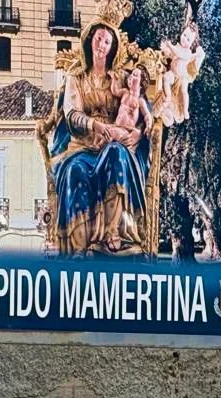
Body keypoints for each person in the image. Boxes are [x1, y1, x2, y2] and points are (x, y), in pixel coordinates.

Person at [49, 21, 149, 255]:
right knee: (74, 170)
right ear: (89, 41)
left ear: (113, 48)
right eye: (98, 38)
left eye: (107, 41)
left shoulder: (121, 79)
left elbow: (144, 109)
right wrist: (96, 125)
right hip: (83, 147)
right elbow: (72, 114)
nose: (102, 45)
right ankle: (79, 247)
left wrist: (139, 131)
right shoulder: (76, 79)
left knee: (115, 154)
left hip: (116, 145)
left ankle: (113, 231)